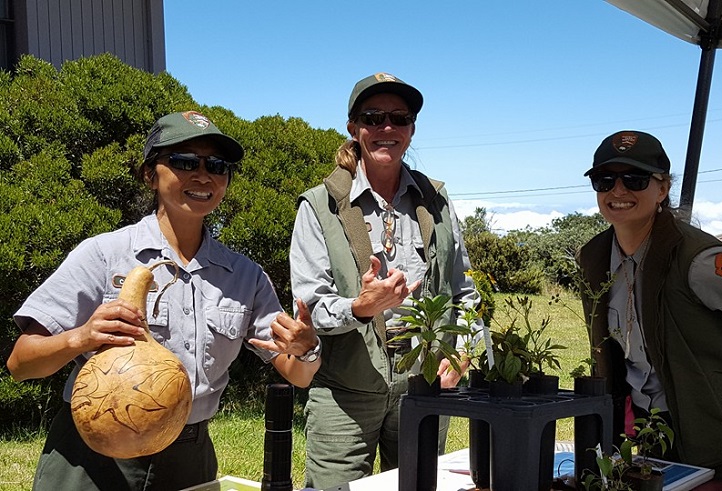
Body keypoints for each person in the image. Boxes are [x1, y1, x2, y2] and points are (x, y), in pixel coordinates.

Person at [6, 111, 322, 490]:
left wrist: (307, 349)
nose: (203, 175)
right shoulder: (103, 255)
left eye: (217, 165)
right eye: (185, 162)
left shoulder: (245, 276)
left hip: (187, 456)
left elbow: (299, 374)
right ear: (149, 174)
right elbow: (20, 364)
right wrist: (82, 337)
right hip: (92, 455)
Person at [575, 130, 722, 491]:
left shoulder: (699, 262)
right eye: (605, 179)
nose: (618, 191)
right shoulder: (593, 259)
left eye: (635, 179)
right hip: (653, 441)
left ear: (663, 188)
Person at [290, 72, 482, 488]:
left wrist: (462, 352)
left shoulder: (437, 200)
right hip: (346, 391)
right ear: (353, 127)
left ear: (412, 129)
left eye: (400, 117)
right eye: (373, 117)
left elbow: (464, 294)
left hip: (424, 384)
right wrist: (360, 307)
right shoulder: (319, 205)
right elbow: (309, 305)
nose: (387, 128)